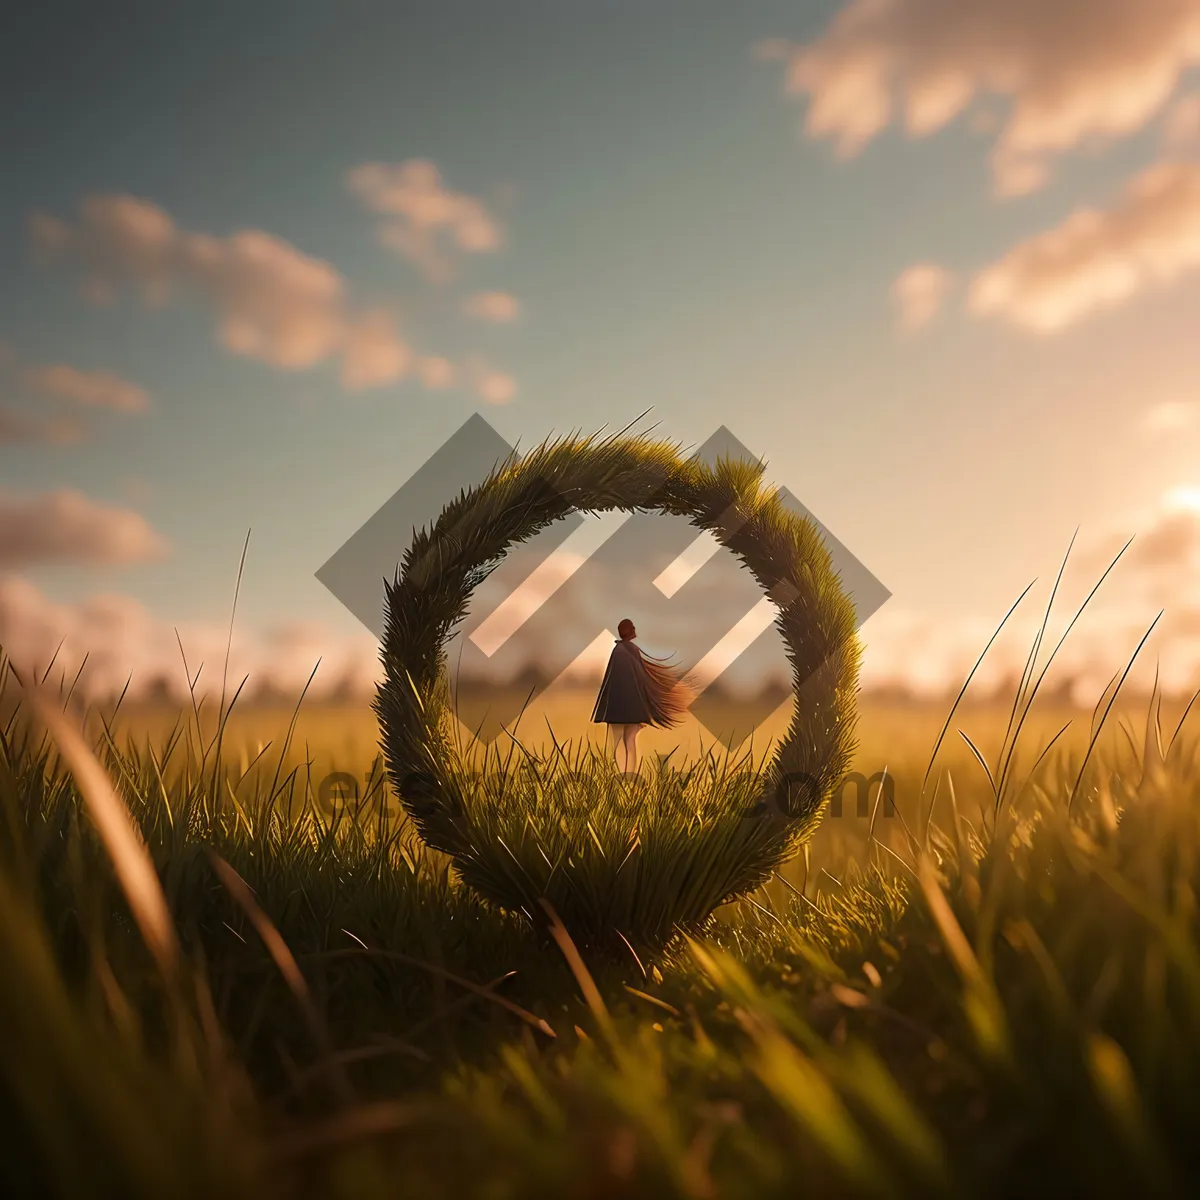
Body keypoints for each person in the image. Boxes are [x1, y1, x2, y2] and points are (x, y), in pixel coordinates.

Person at [591, 618, 697, 774]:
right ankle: (629, 775)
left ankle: (622, 775)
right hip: (632, 708)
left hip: (616, 708)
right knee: (629, 741)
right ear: (629, 631)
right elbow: (641, 679)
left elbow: (612, 682)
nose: (635, 630)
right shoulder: (631, 651)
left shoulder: (617, 651)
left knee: (617, 741)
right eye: (633, 628)